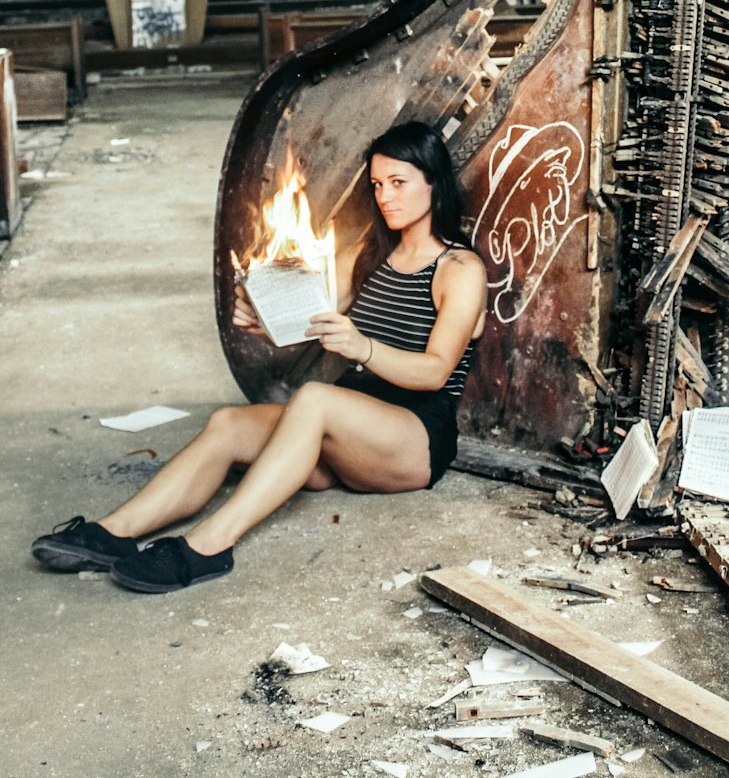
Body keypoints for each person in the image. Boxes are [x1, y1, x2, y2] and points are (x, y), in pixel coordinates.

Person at [31, 120, 487, 594]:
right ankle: (114, 532)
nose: (385, 196)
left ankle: (208, 546)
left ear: (433, 183)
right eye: (377, 184)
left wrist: (363, 347)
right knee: (229, 422)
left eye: (399, 183)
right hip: (349, 433)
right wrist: (270, 327)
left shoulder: (459, 269)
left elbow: (436, 372)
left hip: (414, 439)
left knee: (314, 398)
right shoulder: (370, 254)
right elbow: (319, 327)